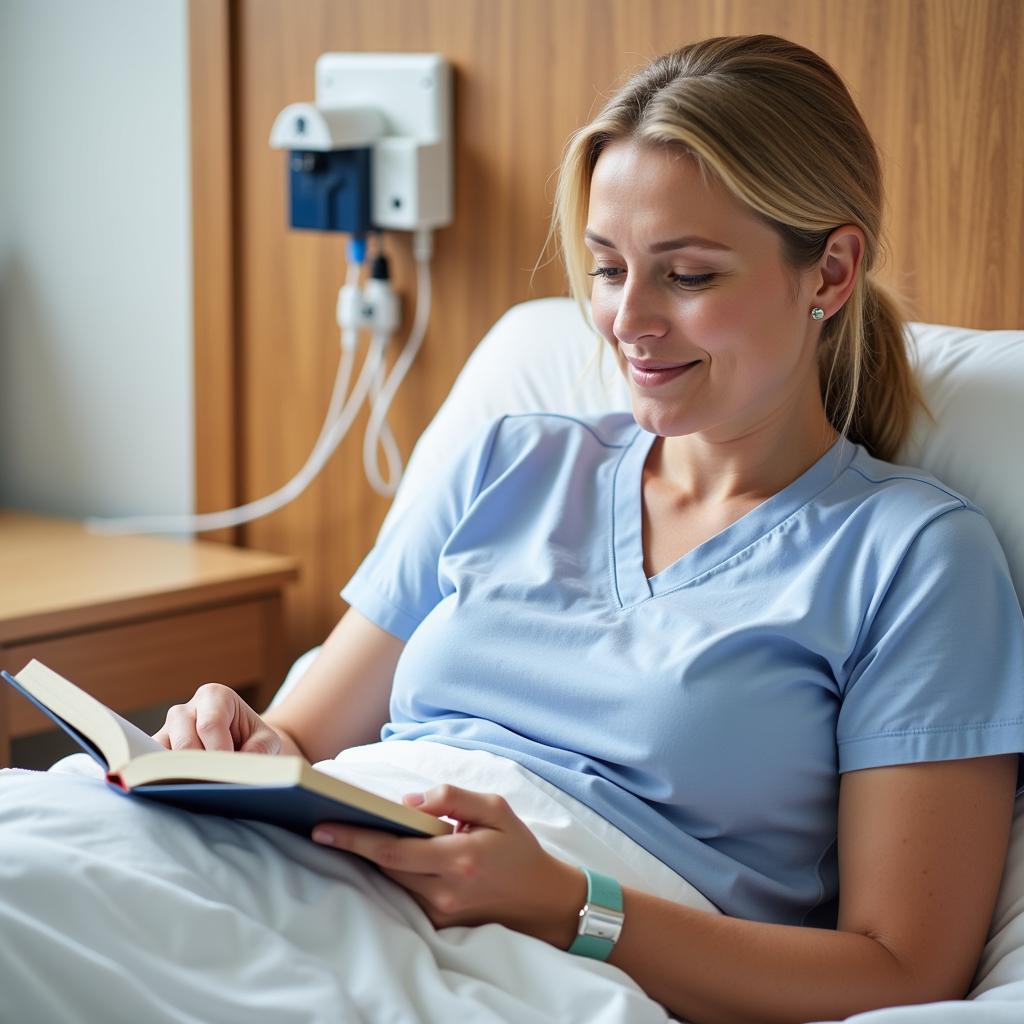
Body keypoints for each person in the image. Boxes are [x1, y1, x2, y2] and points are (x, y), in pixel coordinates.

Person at [153, 34, 1024, 1023]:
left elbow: (903, 970)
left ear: (829, 271)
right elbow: (299, 740)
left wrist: (570, 906)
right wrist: (230, 733)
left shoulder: (910, 560)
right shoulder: (511, 460)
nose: (627, 320)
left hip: (530, 960)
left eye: (687, 275)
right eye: (608, 268)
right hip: (310, 874)